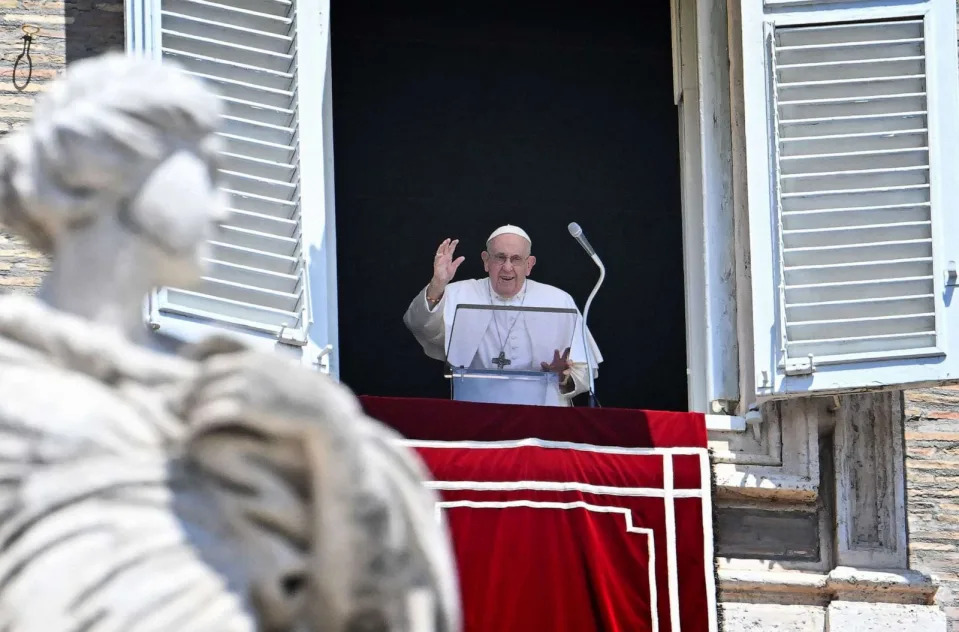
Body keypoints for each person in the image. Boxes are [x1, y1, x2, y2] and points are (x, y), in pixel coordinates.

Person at [0, 53, 459, 632]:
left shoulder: (250, 402)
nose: (225, 207)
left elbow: (367, 612)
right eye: (207, 170)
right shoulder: (15, 384)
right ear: (109, 167)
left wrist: (331, 440)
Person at [404, 225, 602, 406]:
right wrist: (438, 284)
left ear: (529, 264)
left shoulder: (558, 300)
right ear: (486, 261)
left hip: (542, 416)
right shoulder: (459, 294)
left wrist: (563, 375)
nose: (507, 267)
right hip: (474, 414)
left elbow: (584, 371)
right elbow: (420, 325)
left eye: (516, 259)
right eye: (500, 257)